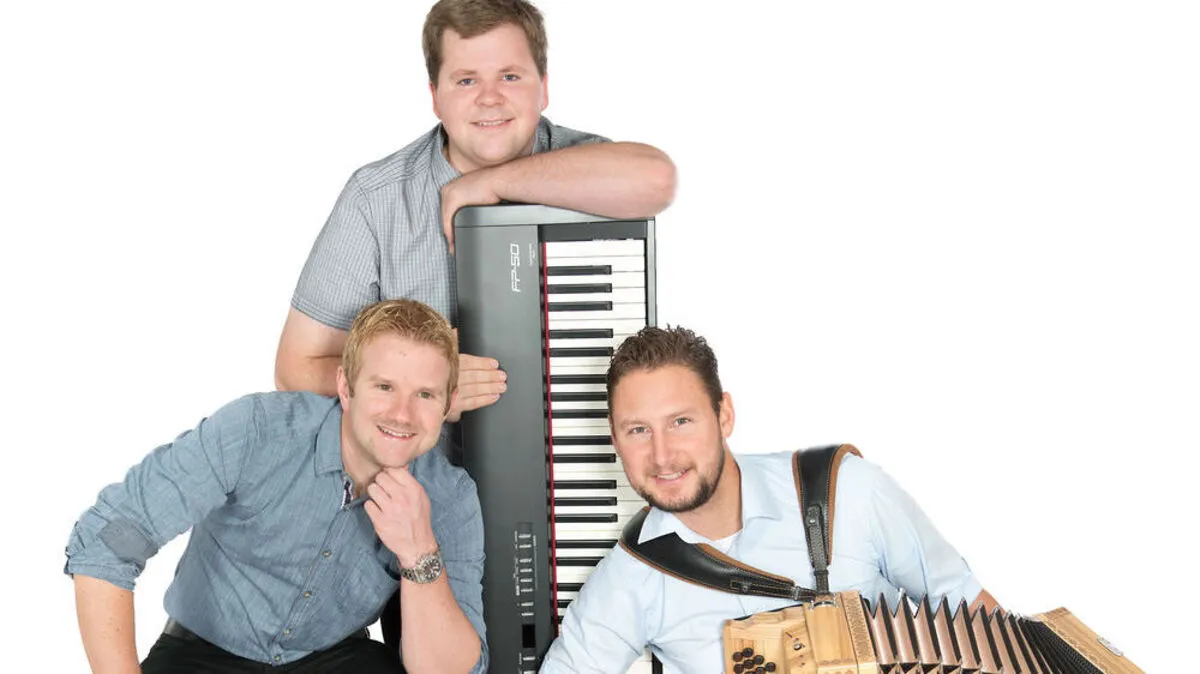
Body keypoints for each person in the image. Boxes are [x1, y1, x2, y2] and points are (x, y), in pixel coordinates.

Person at [275, 0, 676, 414]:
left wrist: (490, 181)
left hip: (574, 442)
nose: (490, 98)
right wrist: (422, 387)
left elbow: (658, 179)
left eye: (509, 76)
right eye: (466, 81)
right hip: (418, 450)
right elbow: (295, 369)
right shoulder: (375, 200)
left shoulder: (592, 167)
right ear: (435, 97)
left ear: (543, 87)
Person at [539, 326, 999, 673]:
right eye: (638, 430)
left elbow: (976, 616)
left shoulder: (849, 492)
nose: (662, 456)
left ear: (724, 415)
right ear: (615, 439)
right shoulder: (632, 577)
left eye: (681, 422)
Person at [66, 299, 488, 674]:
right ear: (346, 387)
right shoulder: (257, 431)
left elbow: (455, 669)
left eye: (425, 395)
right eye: (384, 387)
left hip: (334, 657)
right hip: (201, 653)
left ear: (448, 403)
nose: (402, 414)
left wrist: (419, 553)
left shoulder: (450, 496)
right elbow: (106, 542)